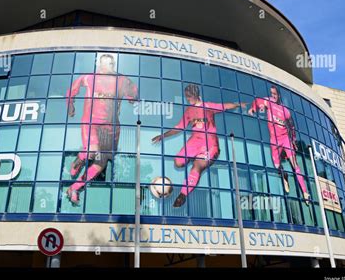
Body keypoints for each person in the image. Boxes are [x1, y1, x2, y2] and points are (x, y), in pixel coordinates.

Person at [152, 84, 245, 207]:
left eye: (189, 97)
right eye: (186, 97)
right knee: (178, 162)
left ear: (195, 95)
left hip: (209, 143)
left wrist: (237, 104)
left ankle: (183, 195)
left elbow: (225, 106)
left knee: (197, 166)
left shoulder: (208, 106)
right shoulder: (189, 111)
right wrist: (163, 135)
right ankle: (194, 156)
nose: (188, 99)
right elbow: (179, 127)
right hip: (195, 141)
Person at [66, 54, 138, 204]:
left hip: (111, 128)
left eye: (110, 64)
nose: (106, 68)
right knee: (91, 151)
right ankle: (79, 159)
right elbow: (72, 89)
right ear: (99, 65)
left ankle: (74, 188)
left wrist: (133, 97)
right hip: (91, 122)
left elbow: (134, 94)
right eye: (104, 65)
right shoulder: (90, 77)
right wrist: (70, 105)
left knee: (100, 164)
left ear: (113, 65)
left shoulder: (122, 80)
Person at [248, 85, 310, 202]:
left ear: (279, 95)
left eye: (275, 94)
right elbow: (258, 101)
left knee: (294, 164)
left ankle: (305, 192)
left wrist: (294, 140)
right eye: (271, 94)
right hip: (274, 141)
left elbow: (292, 126)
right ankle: (284, 175)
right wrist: (253, 109)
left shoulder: (285, 111)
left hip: (285, 139)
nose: (273, 96)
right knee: (277, 165)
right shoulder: (269, 102)